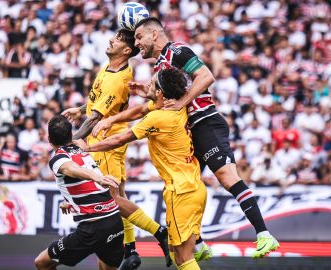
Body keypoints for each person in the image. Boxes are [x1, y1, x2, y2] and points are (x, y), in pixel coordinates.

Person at [93, 17, 279, 259]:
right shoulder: (159, 66)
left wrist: (182, 101)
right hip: (188, 129)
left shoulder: (177, 51)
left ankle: (264, 234)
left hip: (205, 121)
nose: (137, 43)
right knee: (186, 182)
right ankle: (199, 244)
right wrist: (145, 95)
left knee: (226, 176)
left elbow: (206, 76)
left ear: (154, 35)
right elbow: (155, 105)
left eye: (139, 37)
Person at [76, 68, 207, 270]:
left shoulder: (158, 118)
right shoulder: (178, 107)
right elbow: (142, 108)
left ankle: (145, 241)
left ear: (161, 93)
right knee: (180, 255)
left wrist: (88, 147)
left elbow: (120, 138)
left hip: (180, 191)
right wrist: (147, 93)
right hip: (196, 188)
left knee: (182, 258)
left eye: (152, 84)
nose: (148, 86)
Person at [63, 29, 170, 269]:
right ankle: (131, 250)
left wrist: (67, 145)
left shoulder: (117, 78)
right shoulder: (108, 68)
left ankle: (159, 232)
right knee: (119, 196)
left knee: (111, 199)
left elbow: (95, 119)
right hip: (106, 137)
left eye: (119, 39)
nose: (112, 39)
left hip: (106, 141)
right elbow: (97, 103)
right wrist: (79, 109)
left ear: (126, 50)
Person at [34, 115, 124, 270]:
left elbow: (72, 169)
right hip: (114, 222)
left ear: (49, 140)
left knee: (42, 263)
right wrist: (69, 201)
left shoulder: (58, 159)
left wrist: (98, 178)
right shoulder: (80, 147)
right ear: (71, 135)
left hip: (93, 228)